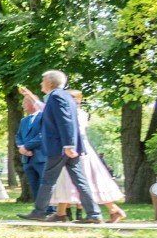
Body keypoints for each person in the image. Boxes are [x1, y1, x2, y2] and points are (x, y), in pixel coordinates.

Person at [21, 70, 101, 223]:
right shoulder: (61, 96)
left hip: (60, 146)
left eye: (43, 80)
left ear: (50, 82)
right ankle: (94, 214)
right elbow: (46, 110)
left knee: (48, 180)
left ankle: (39, 211)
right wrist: (30, 95)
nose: (41, 83)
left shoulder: (57, 96)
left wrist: (69, 144)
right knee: (79, 180)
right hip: (65, 146)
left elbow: (66, 121)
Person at [50, 90, 126, 223]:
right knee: (68, 179)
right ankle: (61, 213)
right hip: (77, 147)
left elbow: (71, 131)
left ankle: (113, 209)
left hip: (76, 148)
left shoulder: (76, 114)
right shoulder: (78, 113)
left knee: (79, 179)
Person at [15, 87, 46, 203]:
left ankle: (50, 209)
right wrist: (21, 148)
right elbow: (18, 136)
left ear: (32, 104)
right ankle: (39, 209)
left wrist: (26, 147)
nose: (23, 106)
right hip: (27, 159)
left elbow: (42, 135)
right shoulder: (24, 120)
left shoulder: (43, 116)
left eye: (24, 103)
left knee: (45, 184)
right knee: (34, 185)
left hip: (41, 156)